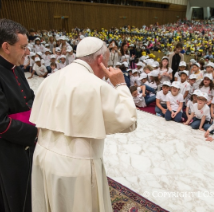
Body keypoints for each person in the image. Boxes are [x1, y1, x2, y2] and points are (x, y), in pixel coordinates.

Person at [30, 37, 137, 212]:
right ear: (100, 60)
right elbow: (128, 121)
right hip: (74, 167)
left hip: (42, 159)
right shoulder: (96, 85)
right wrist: (121, 85)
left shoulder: (51, 78)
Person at [0, 19, 38, 212]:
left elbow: (29, 98)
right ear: (6, 46)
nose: (27, 52)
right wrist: (35, 132)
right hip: (7, 148)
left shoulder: (15, 67)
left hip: (25, 142)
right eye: (23, 47)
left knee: (31, 192)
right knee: (16, 197)